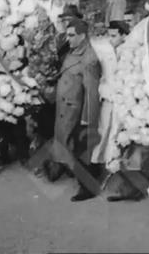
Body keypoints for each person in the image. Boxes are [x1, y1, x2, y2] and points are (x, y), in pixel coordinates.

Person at [88, 21, 145, 202]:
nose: (111, 40)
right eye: (109, 36)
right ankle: (109, 177)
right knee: (106, 137)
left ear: (124, 35)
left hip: (126, 103)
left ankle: (129, 187)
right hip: (109, 101)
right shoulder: (105, 51)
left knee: (124, 141)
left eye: (114, 36)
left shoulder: (132, 52)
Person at [51, 19, 103, 202]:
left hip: (78, 111)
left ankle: (87, 187)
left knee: (82, 149)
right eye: (68, 34)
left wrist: (88, 118)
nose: (68, 38)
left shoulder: (89, 58)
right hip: (66, 107)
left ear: (83, 35)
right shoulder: (73, 51)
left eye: (72, 35)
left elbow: (91, 92)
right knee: (71, 145)